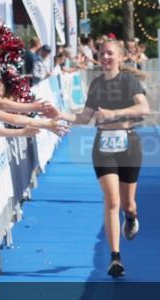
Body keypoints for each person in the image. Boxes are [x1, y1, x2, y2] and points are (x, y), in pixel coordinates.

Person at [56, 39, 151, 278]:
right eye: (101, 53)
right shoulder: (96, 84)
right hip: (103, 147)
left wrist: (113, 114)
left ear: (120, 57)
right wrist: (61, 114)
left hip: (129, 146)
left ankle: (131, 217)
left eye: (110, 53)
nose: (105, 57)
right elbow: (85, 117)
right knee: (112, 201)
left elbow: (144, 109)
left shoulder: (129, 81)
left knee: (128, 204)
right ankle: (115, 257)